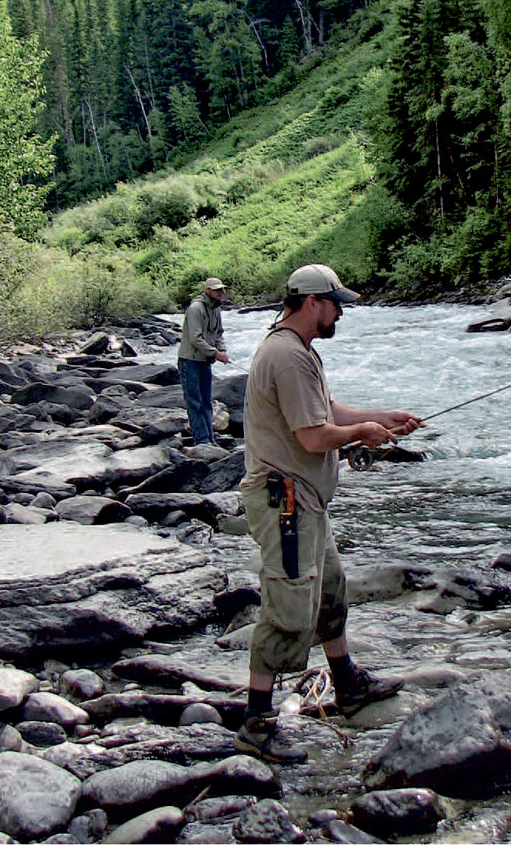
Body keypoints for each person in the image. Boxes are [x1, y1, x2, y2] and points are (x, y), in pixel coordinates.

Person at [233, 263, 425, 764]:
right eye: (337, 303)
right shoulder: (287, 357)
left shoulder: (297, 351)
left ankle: (347, 686)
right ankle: (255, 724)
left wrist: (377, 417)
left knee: (330, 593)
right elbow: (313, 437)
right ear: (314, 302)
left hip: (304, 504)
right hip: (285, 506)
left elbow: (323, 409)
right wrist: (362, 434)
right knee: (288, 611)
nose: (341, 311)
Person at [178, 277, 229, 446]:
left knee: (206, 400)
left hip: (205, 360)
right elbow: (195, 338)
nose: (219, 292)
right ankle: (201, 440)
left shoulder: (216, 308)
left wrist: (222, 350)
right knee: (194, 402)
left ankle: (210, 439)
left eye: (220, 289)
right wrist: (215, 353)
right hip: (190, 360)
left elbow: (219, 333)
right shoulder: (196, 308)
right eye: (216, 290)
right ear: (207, 290)